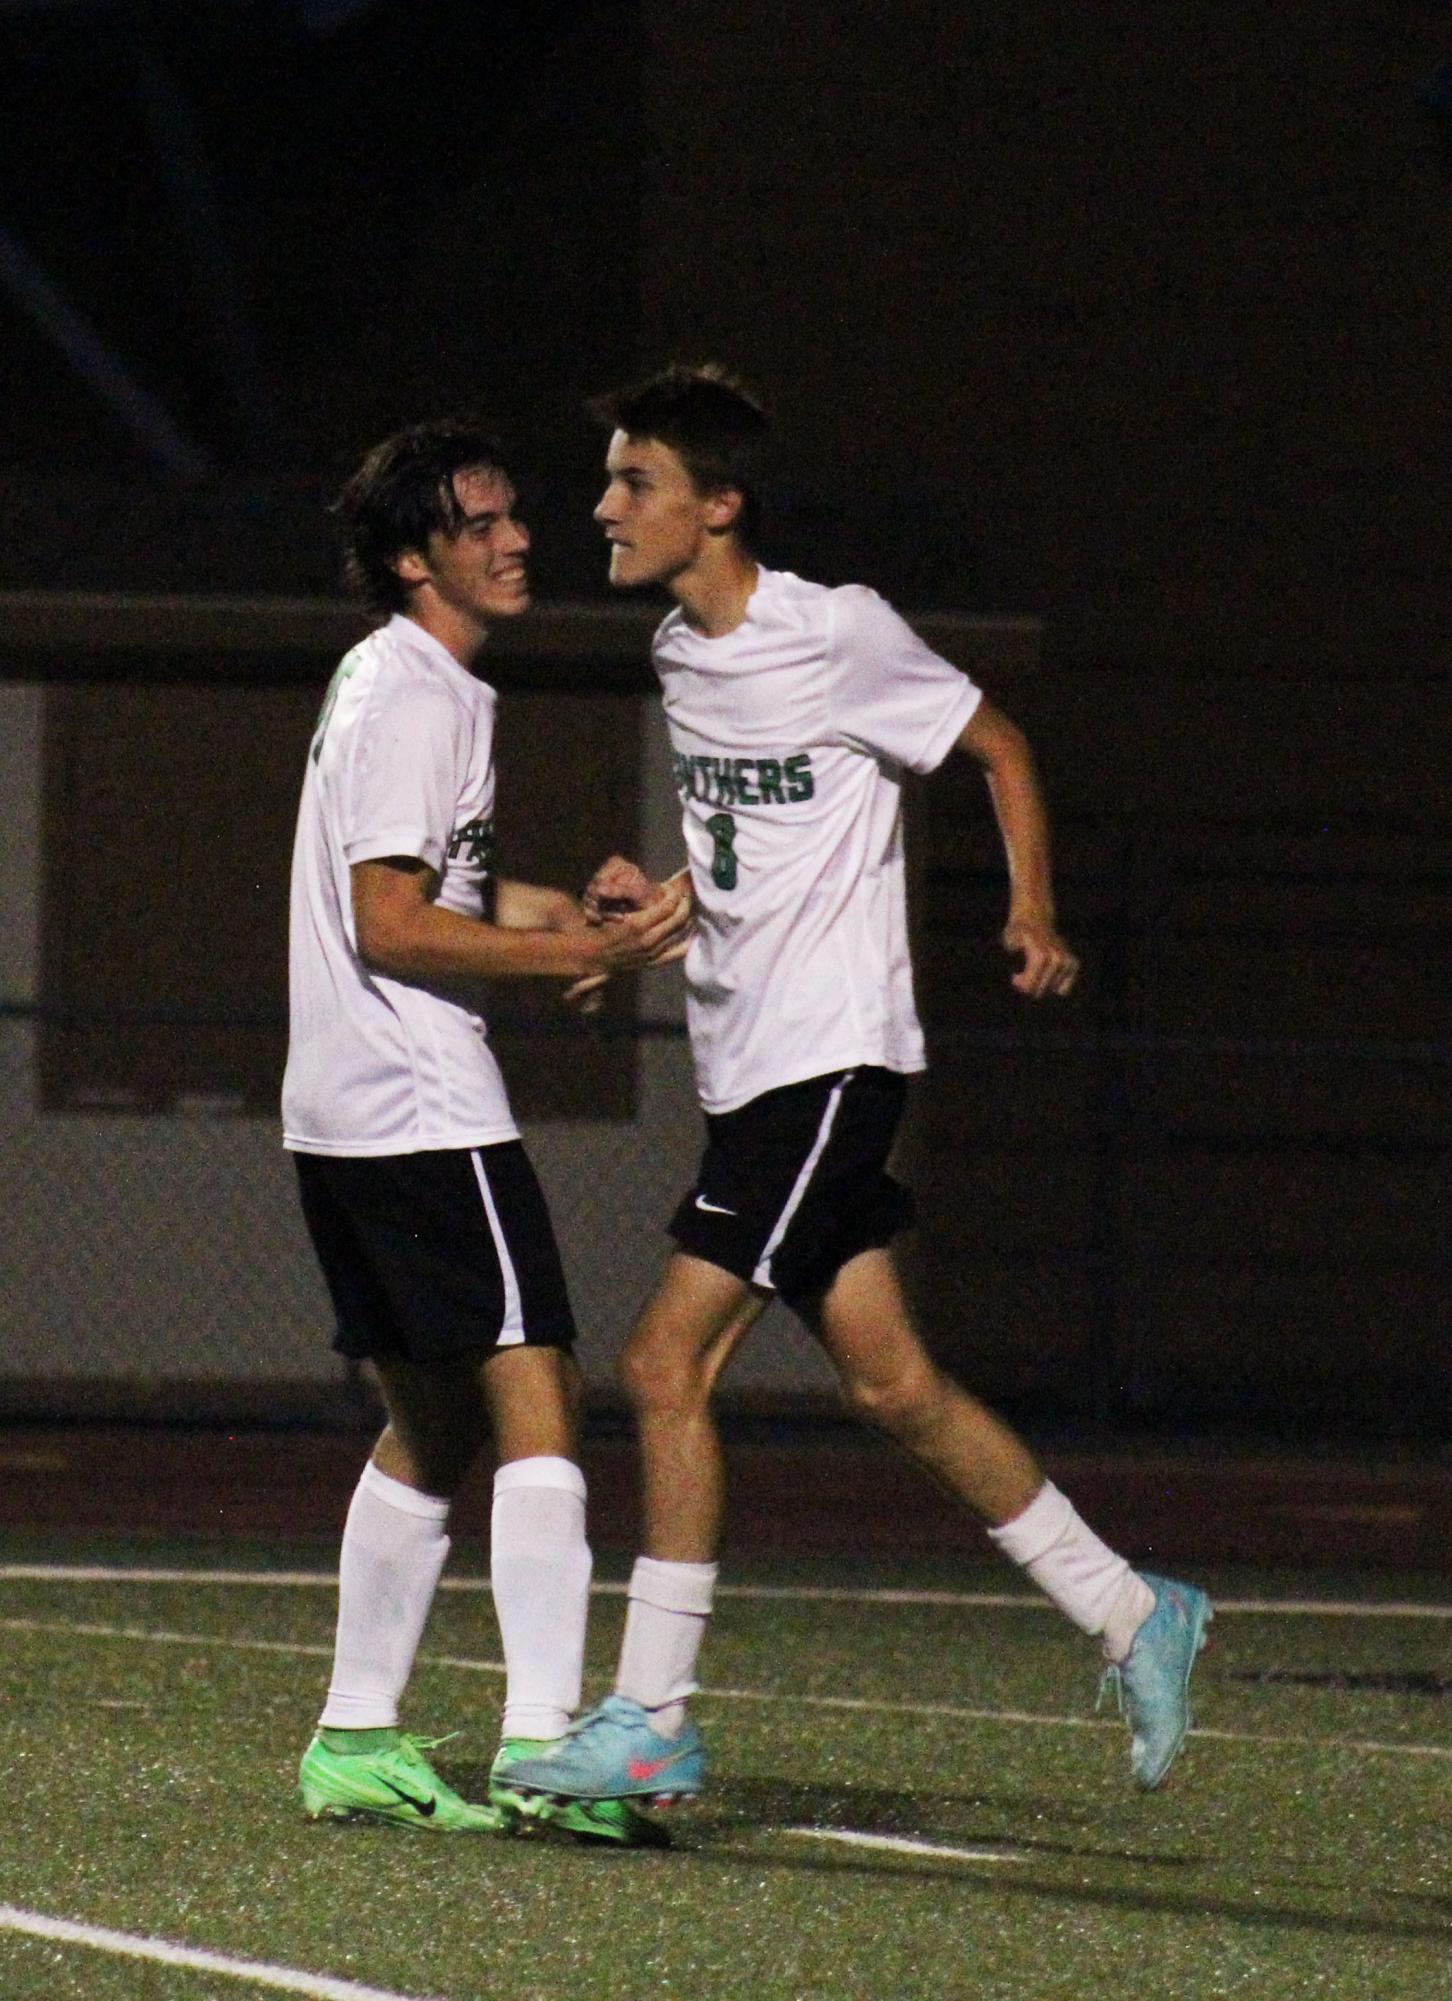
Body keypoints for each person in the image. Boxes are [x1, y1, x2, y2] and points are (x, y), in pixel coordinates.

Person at [504, 365, 1212, 1815]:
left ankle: (650, 1717)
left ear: (718, 506)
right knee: (892, 1381)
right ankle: (1133, 1606)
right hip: (750, 1063)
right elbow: (752, 853)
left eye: (633, 483)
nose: (603, 508)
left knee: (659, 1365)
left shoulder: (838, 630)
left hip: (831, 1060)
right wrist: (658, 911)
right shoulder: (679, 656)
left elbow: (997, 744)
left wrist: (1032, 907)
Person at [283, 418, 689, 1843]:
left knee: (434, 1416)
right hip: (418, 1103)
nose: (519, 538)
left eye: (518, 513)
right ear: (415, 558)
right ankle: (541, 1748)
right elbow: (389, 924)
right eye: (481, 522)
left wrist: (568, 921)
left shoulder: (406, 680)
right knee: (541, 1391)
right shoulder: (416, 691)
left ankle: (352, 1736)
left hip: (343, 1112)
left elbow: (432, 885)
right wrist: (603, 960)